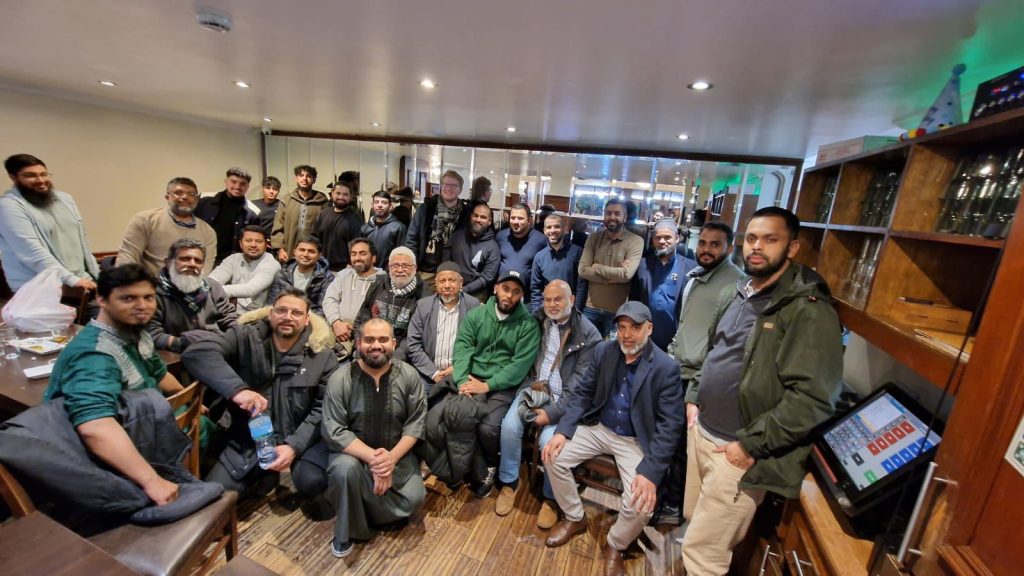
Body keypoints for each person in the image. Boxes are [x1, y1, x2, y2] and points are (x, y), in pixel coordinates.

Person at [681, 208, 843, 574]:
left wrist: (749, 445)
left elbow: (814, 399)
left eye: (771, 240)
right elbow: (716, 350)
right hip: (702, 431)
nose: (757, 247)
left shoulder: (807, 309)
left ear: (792, 247)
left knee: (703, 555)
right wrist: (694, 398)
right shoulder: (739, 291)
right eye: (752, 238)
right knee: (694, 522)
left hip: (738, 451)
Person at [542, 302, 684, 576]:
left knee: (642, 503)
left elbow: (670, 426)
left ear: (649, 329)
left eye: (635, 327)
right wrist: (562, 431)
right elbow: (583, 393)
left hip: (634, 439)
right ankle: (575, 516)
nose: (627, 335)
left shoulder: (666, 368)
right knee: (552, 455)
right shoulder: (604, 352)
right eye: (621, 328)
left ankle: (616, 544)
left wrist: (651, 472)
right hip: (599, 427)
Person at [44, 264, 185, 506]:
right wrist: (152, 481)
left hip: (144, 421)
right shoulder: (95, 354)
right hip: (100, 454)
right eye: (128, 298)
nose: (142, 306)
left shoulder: (136, 333)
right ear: (102, 299)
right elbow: (95, 426)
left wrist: (187, 398)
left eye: (148, 297)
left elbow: (159, 373)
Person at [182, 288, 338, 498]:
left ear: (307, 319)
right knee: (216, 496)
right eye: (281, 310)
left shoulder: (322, 356)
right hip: (247, 438)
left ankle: (272, 472)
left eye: (296, 313)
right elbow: (197, 353)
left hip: (295, 435)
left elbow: (322, 410)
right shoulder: (244, 336)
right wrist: (237, 390)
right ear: (270, 313)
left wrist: (293, 447)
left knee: (312, 481)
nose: (288, 317)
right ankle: (262, 475)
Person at [418, 272, 540, 497]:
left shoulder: (528, 325)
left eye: (516, 292)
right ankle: (449, 464)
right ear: (495, 288)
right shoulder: (477, 314)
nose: (509, 295)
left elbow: (519, 366)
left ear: (522, 295)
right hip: (470, 378)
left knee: (488, 428)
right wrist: (463, 381)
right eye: (506, 289)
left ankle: (489, 466)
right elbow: (463, 347)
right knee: (437, 416)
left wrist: (487, 386)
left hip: (502, 385)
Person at [656, 221, 744, 526]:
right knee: (669, 437)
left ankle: (675, 506)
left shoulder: (736, 286)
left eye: (715, 244)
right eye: (703, 243)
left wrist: (698, 385)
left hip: (699, 380)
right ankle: (665, 497)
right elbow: (685, 326)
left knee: (685, 447)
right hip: (677, 370)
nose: (706, 249)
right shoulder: (695, 276)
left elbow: (724, 346)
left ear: (729, 248)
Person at [495, 280, 601, 529]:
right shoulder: (538, 319)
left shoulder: (589, 335)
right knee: (509, 427)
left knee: (548, 444)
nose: (551, 305)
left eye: (558, 299)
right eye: (547, 300)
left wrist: (551, 414)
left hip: (564, 399)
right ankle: (509, 483)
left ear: (571, 300)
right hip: (534, 387)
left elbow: (579, 389)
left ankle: (551, 498)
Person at [321, 318, 427, 557]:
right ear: (358, 343)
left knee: (415, 498)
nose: (376, 345)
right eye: (369, 340)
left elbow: (415, 423)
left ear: (393, 344)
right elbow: (334, 429)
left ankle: (356, 504)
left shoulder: (409, 375)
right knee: (343, 470)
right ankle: (348, 530)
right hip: (354, 456)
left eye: (383, 339)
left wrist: (390, 460)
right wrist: (374, 459)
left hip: (396, 455)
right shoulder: (341, 378)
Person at [0, 154, 99, 291]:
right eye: (31, 175)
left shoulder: (65, 199)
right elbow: (30, 251)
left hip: (81, 280)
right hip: (38, 288)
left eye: (44, 174)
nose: (41, 180)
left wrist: (95, 273)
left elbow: (82, 240)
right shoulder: (8, 206)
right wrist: (71, 280)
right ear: (13, 177)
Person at [404, 262, 481, 395]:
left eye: (452, 280)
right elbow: (413, 344)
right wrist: (434, 373)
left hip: (462, 372)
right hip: (428, 374)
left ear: (461, 283)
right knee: (417, 398)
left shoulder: (474, 306)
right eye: (442, 281)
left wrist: (458, 367)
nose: (447, 285)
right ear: (436, 283)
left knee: (465, 402)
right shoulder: (423, 307)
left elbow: (481, 344)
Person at [148, 239, 237, 352]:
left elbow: (229, 319)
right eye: (185, 259)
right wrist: (184, 343)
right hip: (180, 352)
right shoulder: (152, 293)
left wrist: (235, 336)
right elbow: (152, 334)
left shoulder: (213, 287)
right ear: (168, 262)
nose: (192, 264)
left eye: (198, 261)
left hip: (220, 346)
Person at [117, 176, 218, 276]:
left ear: (196, 200)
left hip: (189, 284)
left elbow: (204, 271)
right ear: (167, 197)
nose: (185, 197)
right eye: (178, 193)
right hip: (149, 284)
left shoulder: (208, 232)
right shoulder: (146, 220)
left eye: (191, 194)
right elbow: (127, 257)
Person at [578, 198, 644, 337]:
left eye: (617, 213)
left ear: (625, 217)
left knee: (614, 351)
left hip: (618, 312)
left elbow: (626, 275)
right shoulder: (594, 238)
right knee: (587, 349)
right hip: (591, 308)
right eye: (608, 213)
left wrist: (596, 267)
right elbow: (583, 270)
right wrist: (613, 278)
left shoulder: (636, 241)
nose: (612, 217)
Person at [629, 219, 697, 350]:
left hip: (675, 339)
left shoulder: (691, 268)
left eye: (667, 237)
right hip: (645, 336)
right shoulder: (642, 265)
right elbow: (634, 300)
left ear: (677, 238)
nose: (661, 241)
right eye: (657, 237)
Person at [404, 170, 468, 295]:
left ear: (460, 190)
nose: (448, 188)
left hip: (451, 273)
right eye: (445, 184)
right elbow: (412, 239)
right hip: (425, 272)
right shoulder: (426, 209)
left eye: (453, 185)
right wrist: (412, 267)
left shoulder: (466, 214)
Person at [322, 238, 385, 359]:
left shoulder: (383, 281)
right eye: (354, 254)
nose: (357, 258)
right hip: (338, 328)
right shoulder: (343, 275)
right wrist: (336, 322)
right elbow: (329, 299)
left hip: (366, 334)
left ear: (373, 258)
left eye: (363, 253)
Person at [353, 247, 423, 352]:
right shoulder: (377, 285)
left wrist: (396, 357)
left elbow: (414, 337)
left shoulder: (423, 297)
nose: (400, 270)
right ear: (389, 268)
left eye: (405, 266)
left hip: (401, 354)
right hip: (369, 348)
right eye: (395, 266)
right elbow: (361, 320)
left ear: (414, 268)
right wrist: (361, 349)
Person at [209, 225, 281, 313]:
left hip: (259, 316)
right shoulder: (233, 259)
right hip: (231, 313)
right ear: (241, 243)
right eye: (248, 241)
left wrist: (215, 290)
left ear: (266, 244)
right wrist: (208, 288)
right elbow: (213, 280)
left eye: (258, 241)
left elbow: (250, 290)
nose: (253, 245)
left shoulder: (272, 264)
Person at [195, 167, 256, 266]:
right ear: (226, 182)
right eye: (233, 182)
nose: (237, 186)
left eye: (242, 184)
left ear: (247, 186)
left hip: (231, 263)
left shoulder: (252, 212)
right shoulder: (204, 200)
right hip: (202, 257)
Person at [272, 165, 329, 264]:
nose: (304, 179)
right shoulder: (287, 200)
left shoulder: (322, 202)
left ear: (314, 180)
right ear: (296, 178)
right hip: (288, 253)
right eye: (301, 175)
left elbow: (326, 231)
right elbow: (278, 227)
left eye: (309, 176)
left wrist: (321, 252)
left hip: (311, 254)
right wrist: (280, 249)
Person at [531, 212, 587, 313]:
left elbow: (581, 286)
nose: (552, 230)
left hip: (569, 311)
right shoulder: (539, 257)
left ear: (564, 229)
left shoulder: (578, 253)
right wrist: (536, 313)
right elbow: (536, 290)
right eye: (549, 227)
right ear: (544, 231)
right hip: (547, 312)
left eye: (557, 227)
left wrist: (576, 312)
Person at [267, 235, 335, 316]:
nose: (305, 254)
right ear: (295, 251)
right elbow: (272, 303)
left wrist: (300, 318)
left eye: (311, 251)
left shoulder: (326, 278)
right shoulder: (283, 273)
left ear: (319, 255)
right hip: (282, 317)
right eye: (302, 250)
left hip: (310, 319)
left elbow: (322, 309)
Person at [449, 200, 500, 302]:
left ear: (489, 222)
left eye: (483, 217)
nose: (478, 219)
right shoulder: (456, 237)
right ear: (471, 216)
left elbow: (487, 278)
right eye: (475, 216)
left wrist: (463, 290)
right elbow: (446, 262)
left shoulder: (493, 247)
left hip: (476, 293)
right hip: (452, 286)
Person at [496, 203, 548, 299]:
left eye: (520, 218)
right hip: (502, 294)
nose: (516, 221)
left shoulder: (541, 241)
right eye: (513, 218)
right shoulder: (500, 236)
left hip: (527, 297)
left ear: (529, 220)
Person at [315, 178, 364, 271]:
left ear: (350, 197)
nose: (341, 197)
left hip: (343, 269)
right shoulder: (323, 214)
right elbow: (316, 239)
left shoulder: (356, 219)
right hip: (321, 267)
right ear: (332, 194)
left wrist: (350, 264)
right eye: (338, 193)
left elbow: (357, 245)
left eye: (345, 194)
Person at [362, 190, 408, 268]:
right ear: (372, 205)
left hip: (388, 272)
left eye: (384, 202)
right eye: (376, 202)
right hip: (368, 271)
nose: (380, 205)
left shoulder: (398, 228)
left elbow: (401, 254)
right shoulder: (365, 228)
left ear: (391, 206)